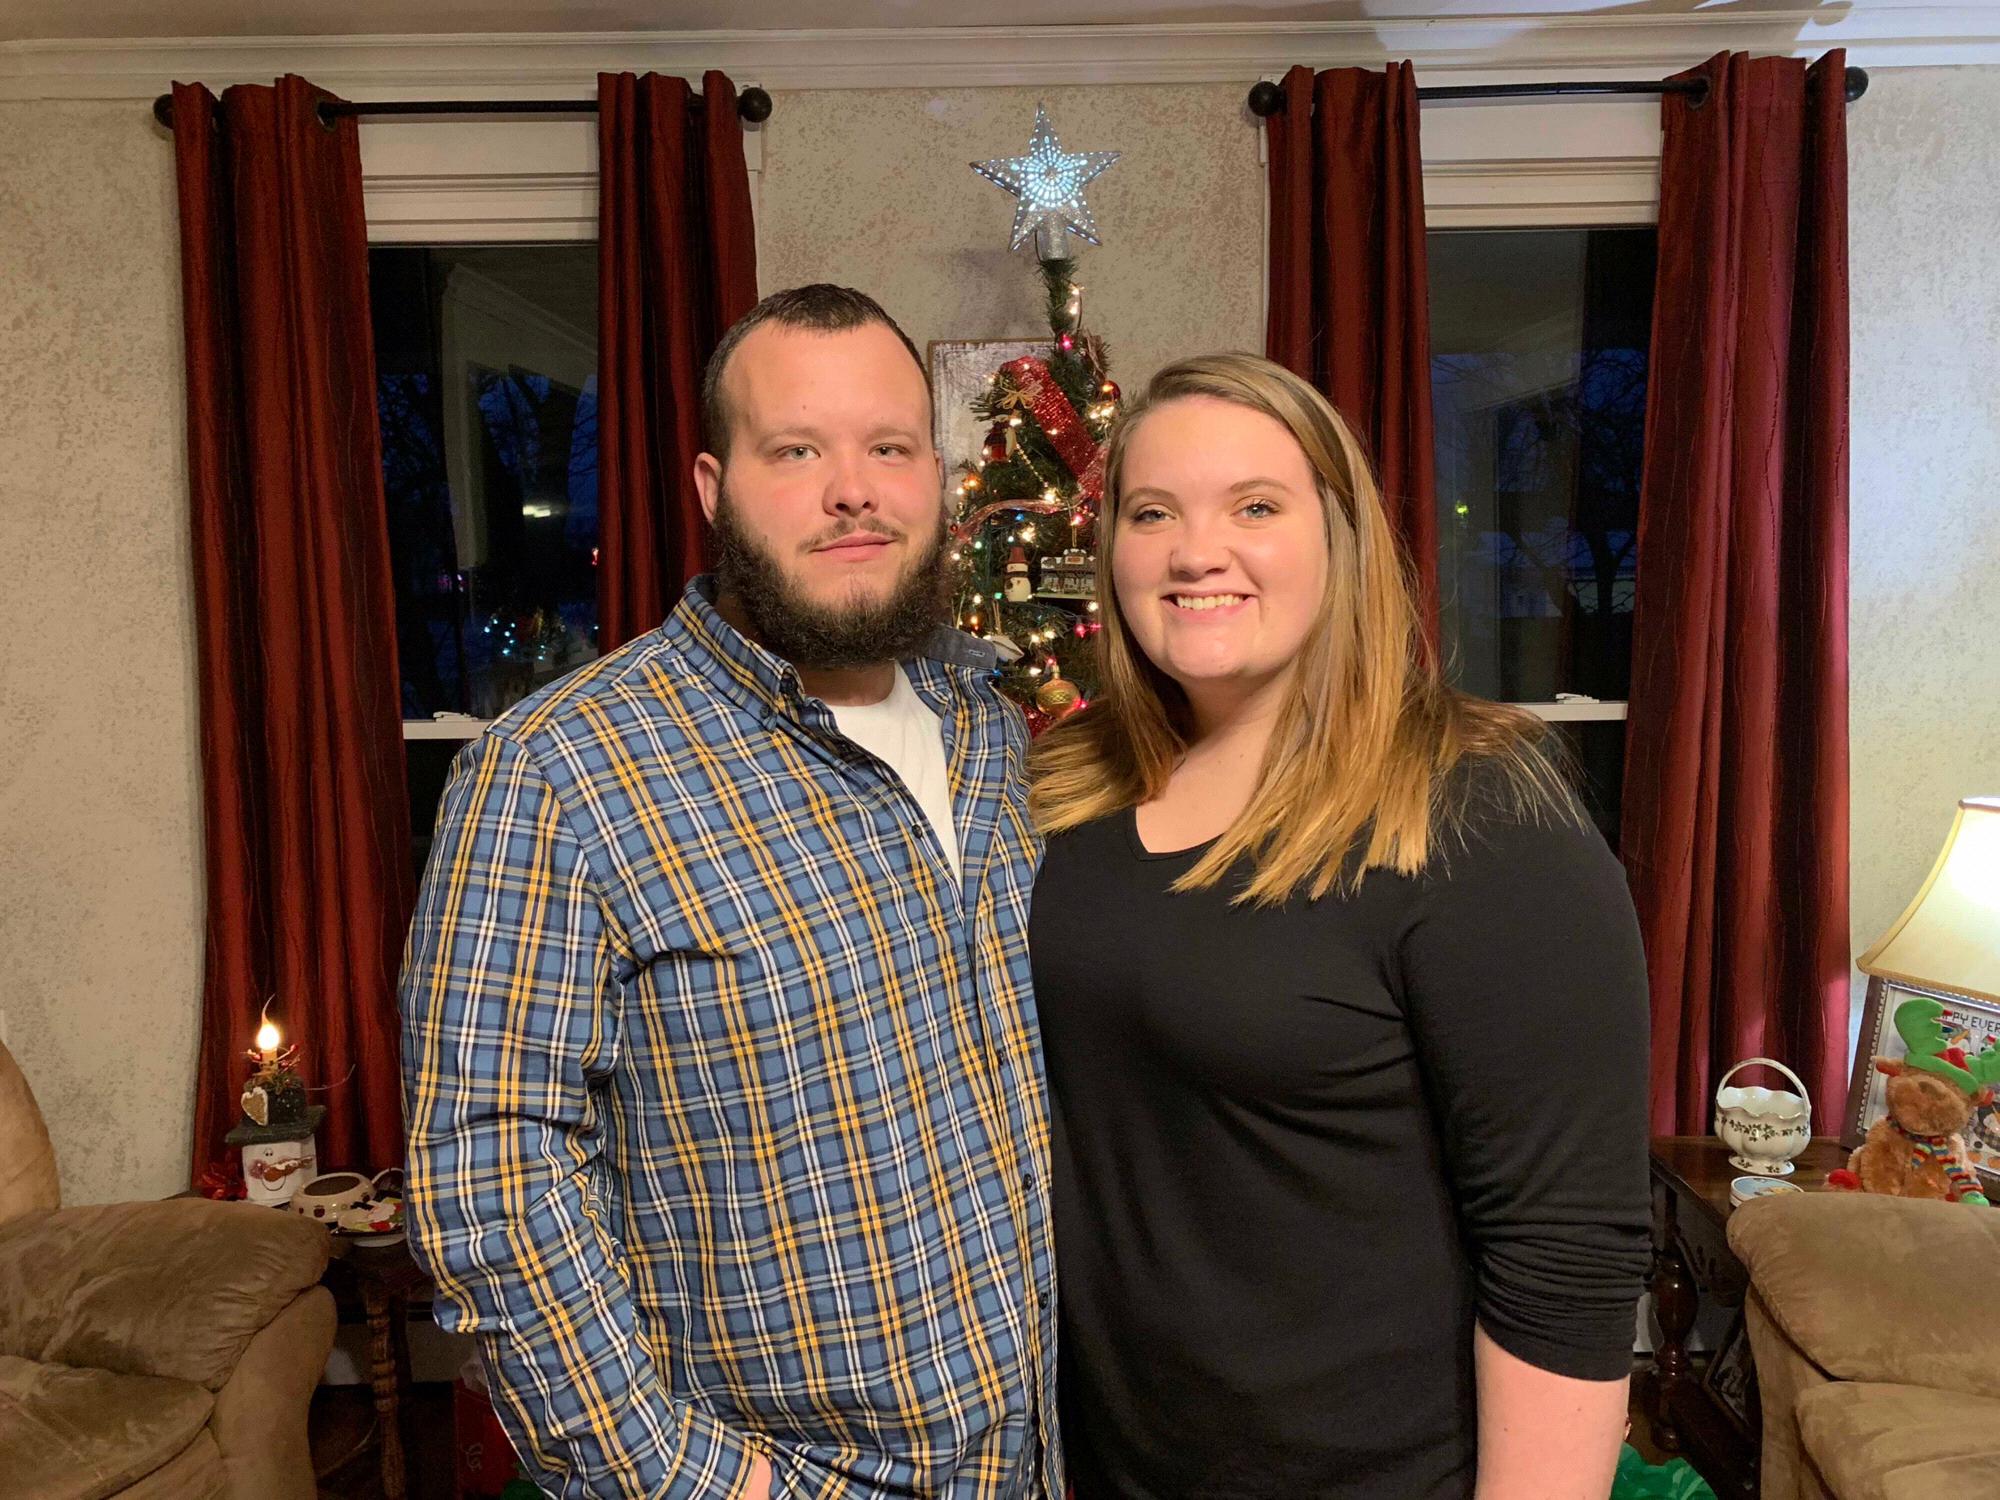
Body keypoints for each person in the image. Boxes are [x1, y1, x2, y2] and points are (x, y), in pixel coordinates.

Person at [402, 285, 1057, 1500]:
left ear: (936, 475)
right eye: (796, 451)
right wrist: (693, 1483)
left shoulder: (995, 729)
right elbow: (489, 1180)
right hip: (793, 1478)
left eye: (888, 447)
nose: (852, 489)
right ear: (713, 488)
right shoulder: (559, 771)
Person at [1029, 353, 1651, 1500]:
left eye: (1253, 507)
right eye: (1151, 512)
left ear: (1339, 536)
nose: (1194, 552)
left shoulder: (1475, 814)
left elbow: (1564, 1255)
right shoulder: (1069, 796)